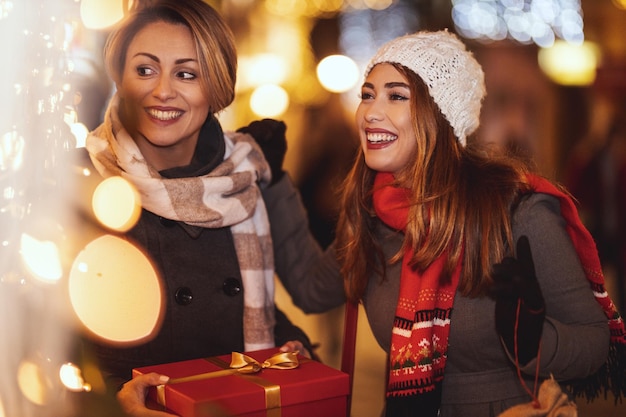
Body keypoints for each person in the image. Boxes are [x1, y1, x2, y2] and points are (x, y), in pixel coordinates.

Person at [264, 30, 625, 417]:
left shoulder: (517, 212)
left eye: (396, 96)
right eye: (367, 94)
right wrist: (273, 180)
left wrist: (532, 340)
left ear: (441, 115)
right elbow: (311, 288)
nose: (370, 111)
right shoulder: (373, 216)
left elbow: (594, 342)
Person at [71, 1, 314, 416]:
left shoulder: (242, 174)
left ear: (215, 88)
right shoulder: (82, 183)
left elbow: (248, 306)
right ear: (120, 77)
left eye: (187, 74)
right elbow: (56, 334)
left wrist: (292, 344)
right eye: (144, 70)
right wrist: (112, 400)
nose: (162, 90)